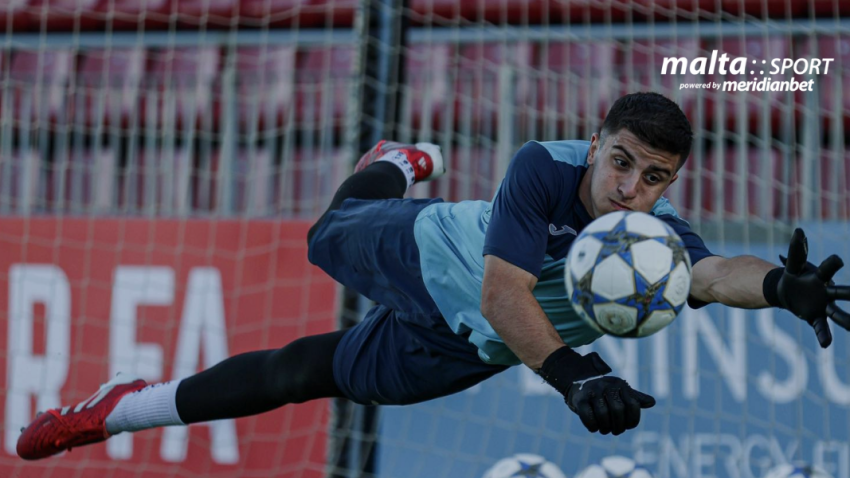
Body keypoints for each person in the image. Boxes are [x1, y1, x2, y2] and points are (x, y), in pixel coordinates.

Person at [17, 92, 850, 461]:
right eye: (621, 161)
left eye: (652, 176)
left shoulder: (657, 236)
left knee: (299, 374)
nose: (628, 189)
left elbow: (711, 273)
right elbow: (504, 293)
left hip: (468, 348)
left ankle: (122, 407)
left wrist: (780, 287)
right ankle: (391, 163)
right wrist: (577, 373)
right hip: (437, 256)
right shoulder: (541, 167)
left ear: (670, 184)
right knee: (324, 234)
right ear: (595, 144)